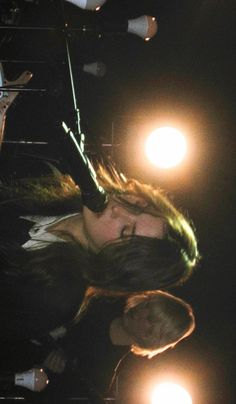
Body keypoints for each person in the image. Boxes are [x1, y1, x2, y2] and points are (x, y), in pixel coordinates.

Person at [0, 163, 199, 340]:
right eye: (138, 206)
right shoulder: (50, 177)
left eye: (125, 231)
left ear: (116, 263)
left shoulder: (54, 297)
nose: (118, 209)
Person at [38, 290, 195, 398]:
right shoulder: (101, 297)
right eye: (147, 305)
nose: (141, 311)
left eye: (150, 319)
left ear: (151, 337)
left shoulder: (99, 373)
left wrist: (47, 370)